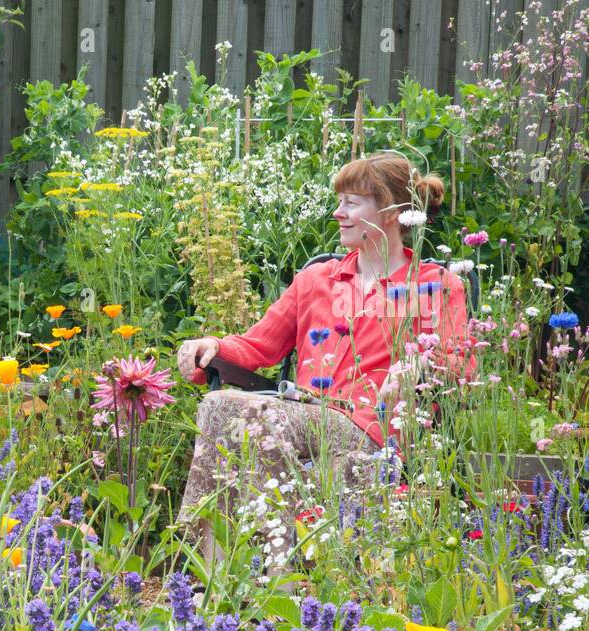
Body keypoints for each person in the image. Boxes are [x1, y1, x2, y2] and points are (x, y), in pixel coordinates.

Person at [174, 151, 474, 572]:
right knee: (222, 407)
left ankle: (265, 577)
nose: (339, 213)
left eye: (352, 202)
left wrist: (416, 369)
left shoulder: (432, 285)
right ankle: (222, 581)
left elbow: (460, 364)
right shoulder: (318, 278)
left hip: (371, 429)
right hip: (298, 416)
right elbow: (259, 346)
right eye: (340, 201)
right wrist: (213, 346)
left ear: (389, 211)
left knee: (236, 410)